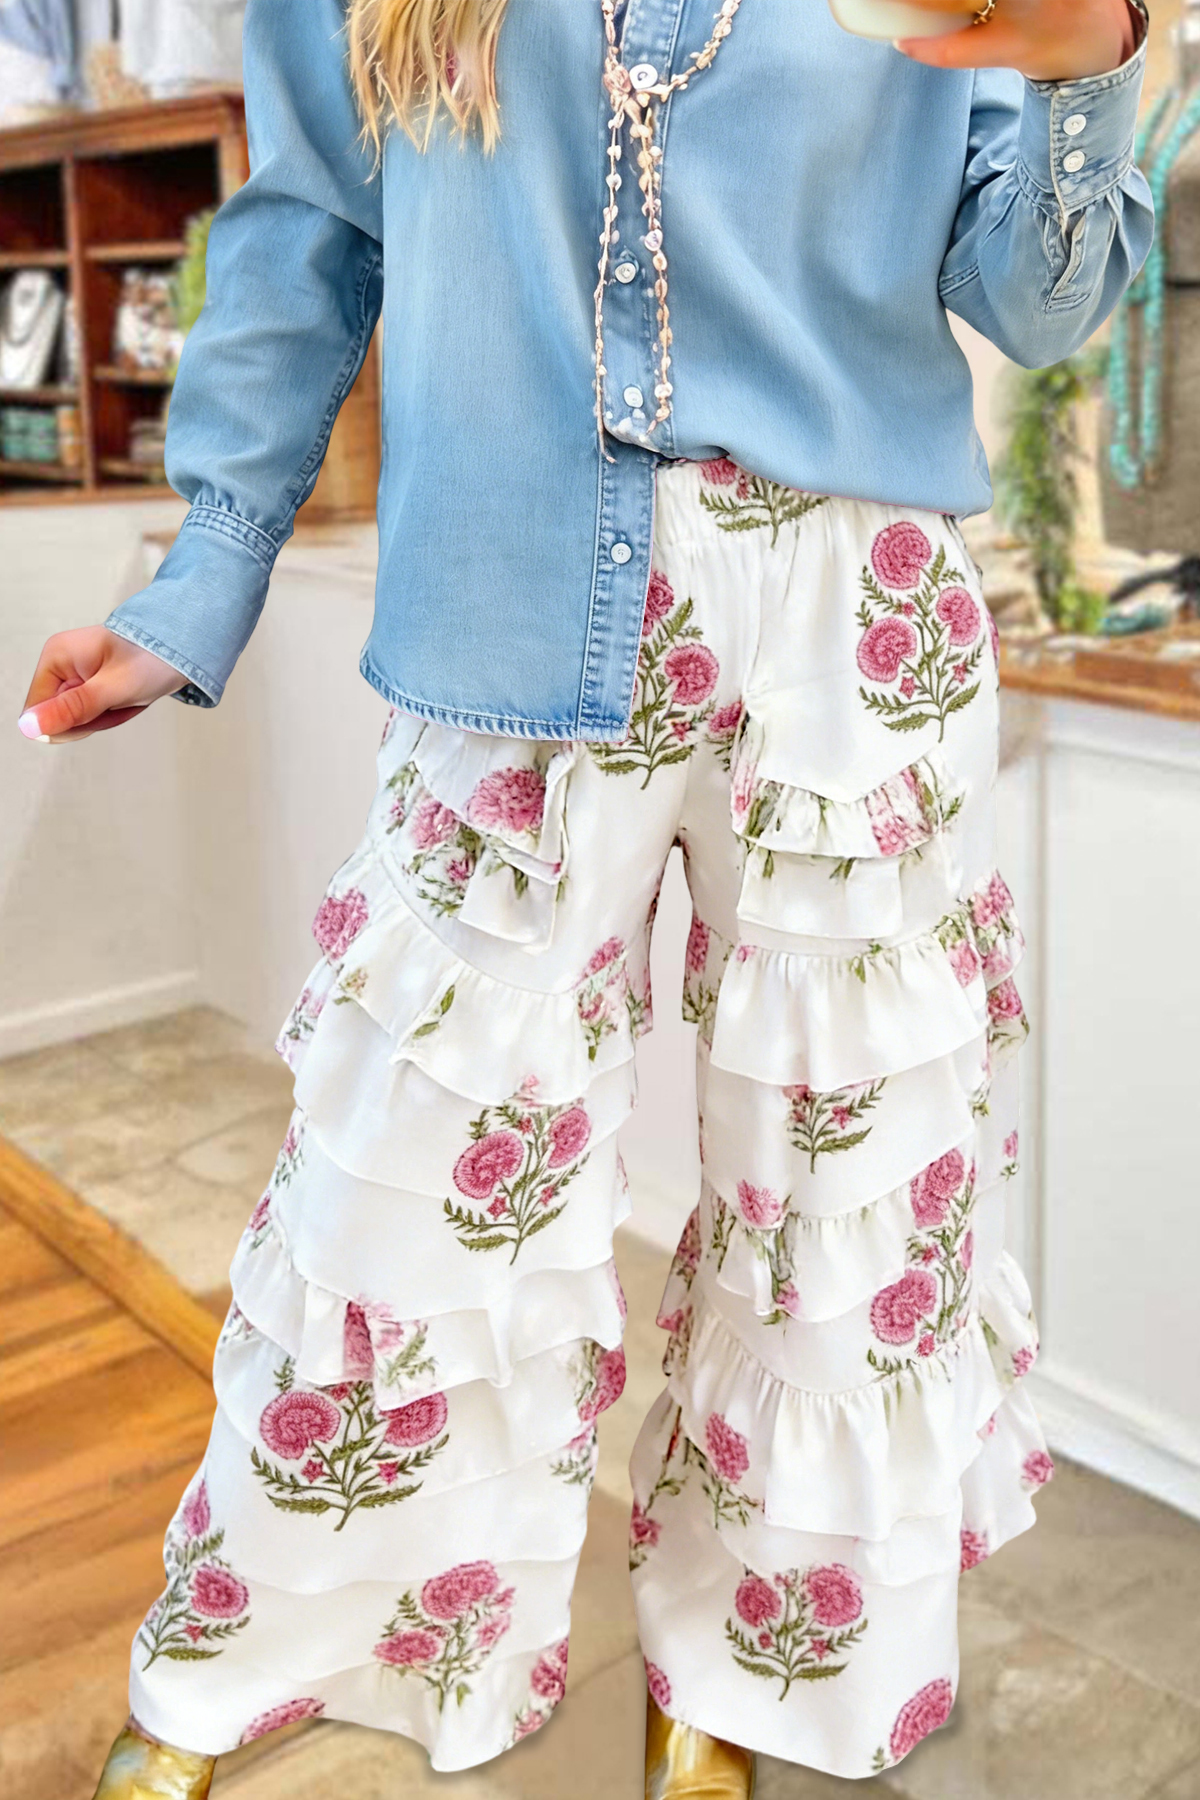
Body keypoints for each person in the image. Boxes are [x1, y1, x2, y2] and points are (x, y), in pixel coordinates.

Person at [19, 1, 1151, 1795]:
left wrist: (1092, 60)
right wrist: (204, 571)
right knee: (400, 1174)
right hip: (508, 596)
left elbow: (1039, 299)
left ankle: (741, 1684)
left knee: (837, 1197)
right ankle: (265, 1652)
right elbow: (313, 226)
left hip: (857, 628)